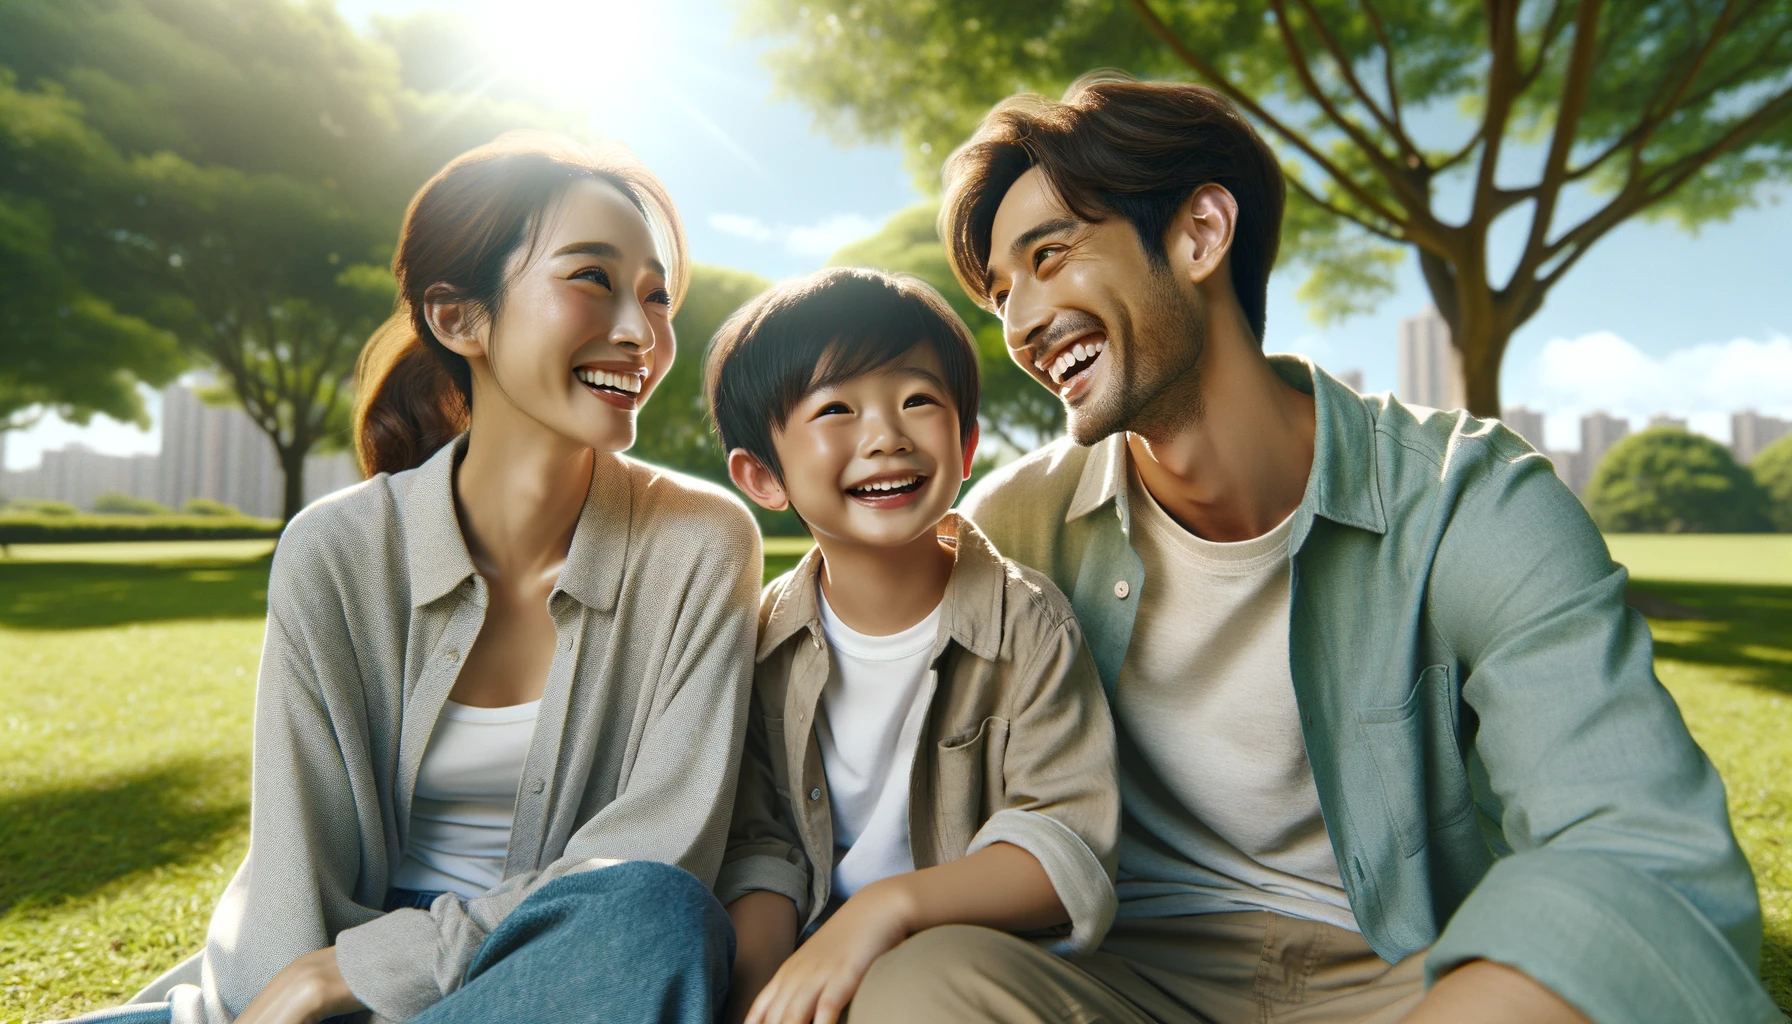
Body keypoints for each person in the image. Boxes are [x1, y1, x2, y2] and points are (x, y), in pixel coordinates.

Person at [844, 74, 1781, 1024]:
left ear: (1202, 234)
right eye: (1003, 293)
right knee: (919, 986)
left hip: (1403, 979)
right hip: (1121, 979)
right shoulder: (1016, 527)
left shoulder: (1470, 499)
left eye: (1052, 255)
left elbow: (1636, 851)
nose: (1021, 325)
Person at [68, 132, 762, 1024]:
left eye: (657, 296)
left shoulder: (702, 543)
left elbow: (659, 851)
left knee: (655, 916)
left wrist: (355, 973)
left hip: (558, 972)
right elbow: (291, 870)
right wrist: (304, 990)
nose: (641, 332)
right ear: (458, 319)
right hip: (314, 991)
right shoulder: (335, 552)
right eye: (592, 278)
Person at [705, 268, 1120, 1024]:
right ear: (762, 475)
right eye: (835, 408)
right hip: (816, 952)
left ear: (966, 449)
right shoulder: (762, 641)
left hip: (959, 972)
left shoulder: (1028, 624)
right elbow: (764, 847)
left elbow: (1064, 851)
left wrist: (888, 910)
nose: (886, 437)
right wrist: (758, 996)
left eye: (918, 400)